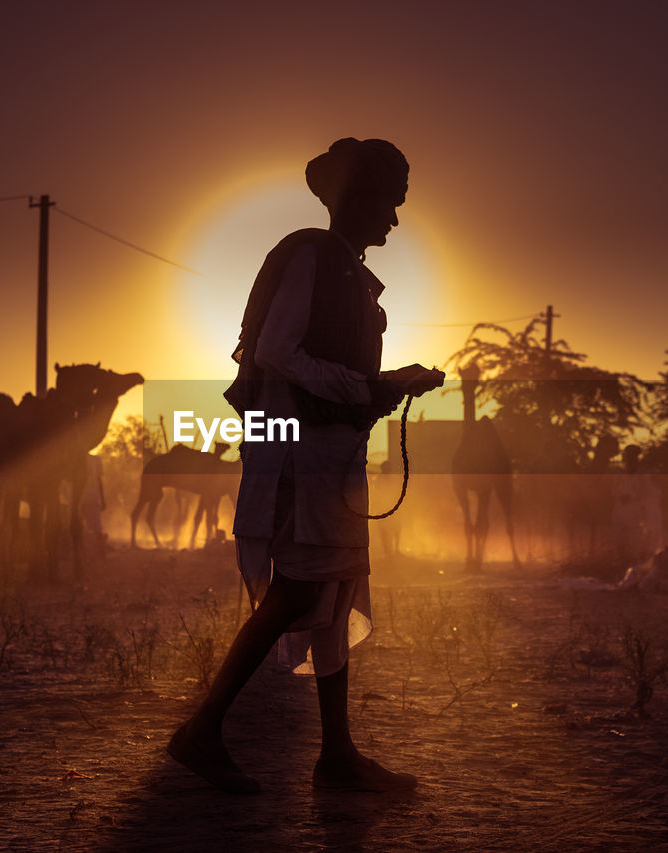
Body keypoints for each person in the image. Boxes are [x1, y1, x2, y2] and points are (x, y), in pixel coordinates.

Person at [167, 138, 443, 795]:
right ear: (360, 199)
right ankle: (203, 727)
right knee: (299, 586)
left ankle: (337, 753)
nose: (394, 221)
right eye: (389, 204)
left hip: (329, 454)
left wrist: (388, 384)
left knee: (333, 589)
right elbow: (276, 351)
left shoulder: (345, 271)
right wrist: (368, 389)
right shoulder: (312, 257)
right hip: (297, 453)